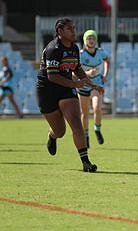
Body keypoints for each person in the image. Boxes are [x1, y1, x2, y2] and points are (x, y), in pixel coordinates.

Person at [36, 17, 103, 172]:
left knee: (76, 123)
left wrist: (90, 83)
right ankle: (52, 136)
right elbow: (52, 77)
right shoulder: (53, 49)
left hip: (66, 89)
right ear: (60, 32)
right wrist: (75, 84)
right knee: (60, 131)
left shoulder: (74, 47)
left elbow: (77, 68)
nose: (74, 31)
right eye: (70, 29)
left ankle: (86, 162)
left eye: (74, 28)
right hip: (47, 90)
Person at [77, 29, 110, 148]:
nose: (91, 41)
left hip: (97, 84)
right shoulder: (80, 55)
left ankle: (97, 128)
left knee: (97, 108)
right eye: (88, 38)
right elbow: (74, 73)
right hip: (84, 85)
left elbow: (107, 60)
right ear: (85, 41)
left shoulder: (100, 52)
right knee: (84, 114)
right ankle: (85, 135)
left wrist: (105, 74)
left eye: (93, 38)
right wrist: (87, 73)